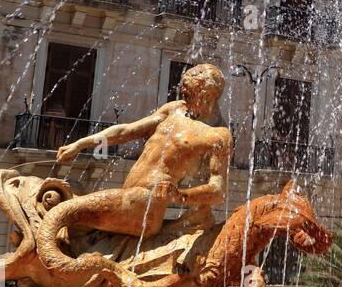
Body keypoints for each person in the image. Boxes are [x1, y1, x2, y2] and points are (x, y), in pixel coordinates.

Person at [51, 63, 231, 240]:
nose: (184, 95)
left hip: (146, 205)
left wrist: (179, 195)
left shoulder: (218, 135)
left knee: (62, 212)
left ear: (207, 93)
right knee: (70, 225)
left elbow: (217, 190)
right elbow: (126, 131)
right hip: (129, 196)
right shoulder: (174, 109)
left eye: (189, 92)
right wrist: (81, 144)